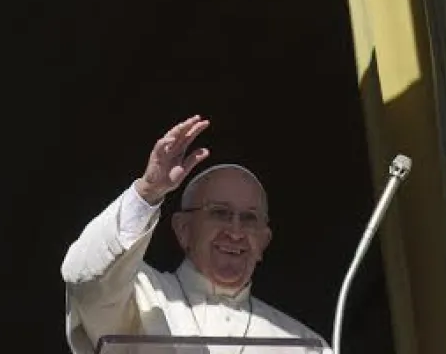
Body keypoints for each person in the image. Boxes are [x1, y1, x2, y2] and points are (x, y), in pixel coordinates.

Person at [60, 115, 332, 354]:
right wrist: (148, 192)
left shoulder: (304, 344)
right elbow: (84, 277)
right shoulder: (140, 295)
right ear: (184, 230)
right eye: (220, 213)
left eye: (249, 218)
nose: (235, 232)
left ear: (263, 242)